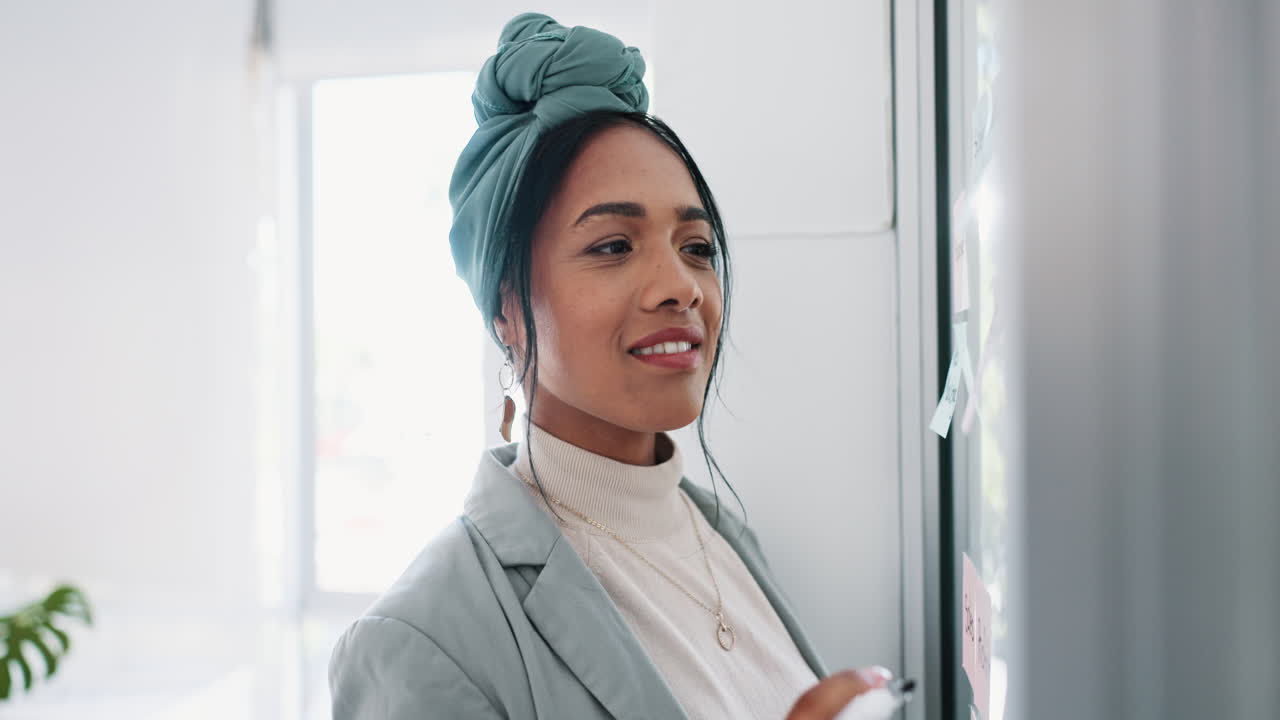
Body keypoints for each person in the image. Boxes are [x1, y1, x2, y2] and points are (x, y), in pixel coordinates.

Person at [328, 12, 892, 719]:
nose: (681, 286)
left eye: (696, 247)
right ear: (507, 309)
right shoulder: (420, 640)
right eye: (614, 246)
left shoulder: (723, 533)